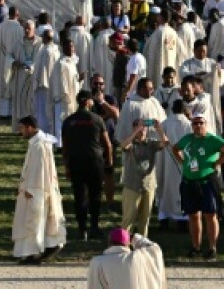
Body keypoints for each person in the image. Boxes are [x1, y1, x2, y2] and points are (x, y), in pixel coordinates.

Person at [169, 112, 224, 261]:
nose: (198, 126)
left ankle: (212, 247)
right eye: (195, 123)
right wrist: (182, 162)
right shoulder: (187, 139)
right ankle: (196, 246)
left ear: (206, 124)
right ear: (191, 125)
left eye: (201, 123)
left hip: (207, 181)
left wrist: (218, 162)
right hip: (189, 181)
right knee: (193, 215)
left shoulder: (212, 139)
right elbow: (175, 148)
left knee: (210, 214)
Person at [11, 115, 66, 264]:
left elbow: (39, 170)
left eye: (22, 128)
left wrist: (31, 189)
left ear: (30, 127)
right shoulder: (36, 143)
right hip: (33, 188)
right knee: (36, 220)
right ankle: (38, 250)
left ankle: (34, 252)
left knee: (35, 221)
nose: (20, 132)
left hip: (36, 189)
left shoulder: (40, 145)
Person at [60, 89, 113, 240]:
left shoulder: (69, 121)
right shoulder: (97, 119)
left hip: (76, 161)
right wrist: (109, 161)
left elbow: (65, 147)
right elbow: (107, 144)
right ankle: (94, 227)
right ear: (89, 102)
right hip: (95, 161)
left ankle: (82, 229)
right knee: (95, 195)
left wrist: (67, 166)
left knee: (80, 195)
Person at [88, 227, 166, 289]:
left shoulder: (97, 262)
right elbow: (154, 248)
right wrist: (135, 237)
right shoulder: (139, 257)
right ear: (128, 244)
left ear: (109, 242)